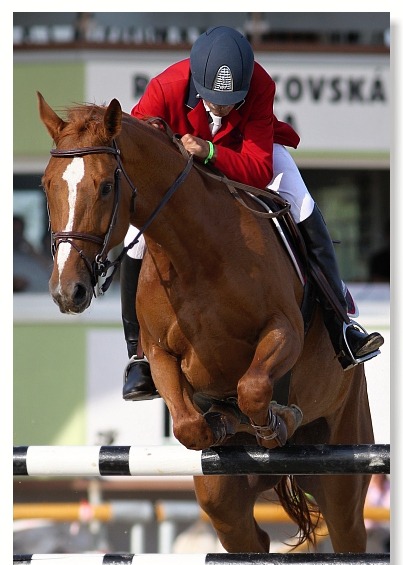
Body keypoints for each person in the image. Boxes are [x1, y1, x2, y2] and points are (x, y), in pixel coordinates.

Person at [121, 26, 384, 401]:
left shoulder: (259, 84)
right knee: (135, 240)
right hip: (178, 171)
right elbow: (140, 150)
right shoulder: (166, 87)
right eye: (214, 99)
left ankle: (341, 322)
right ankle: (138, 356)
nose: (222, 107)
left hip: (241, 155)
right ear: (196, 79)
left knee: (302, 203)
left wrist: (209, 153)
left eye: (231, 101)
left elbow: (259, 169)